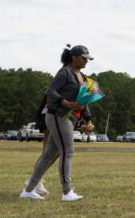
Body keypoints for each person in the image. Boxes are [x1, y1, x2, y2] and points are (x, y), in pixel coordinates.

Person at [20, 45, 96, 201]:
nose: (86, 62)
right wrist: (66, 103)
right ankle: (67, 192)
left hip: (70, 118)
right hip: (58, 116)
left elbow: (85, 101)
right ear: (74, 57)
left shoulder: (83, 76)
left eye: (87, 59)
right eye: (84, 58)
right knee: (68, 152)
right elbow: (51, 91)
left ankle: (28, 190)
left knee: (48, 156)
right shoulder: (65, 72)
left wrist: (88, 120)